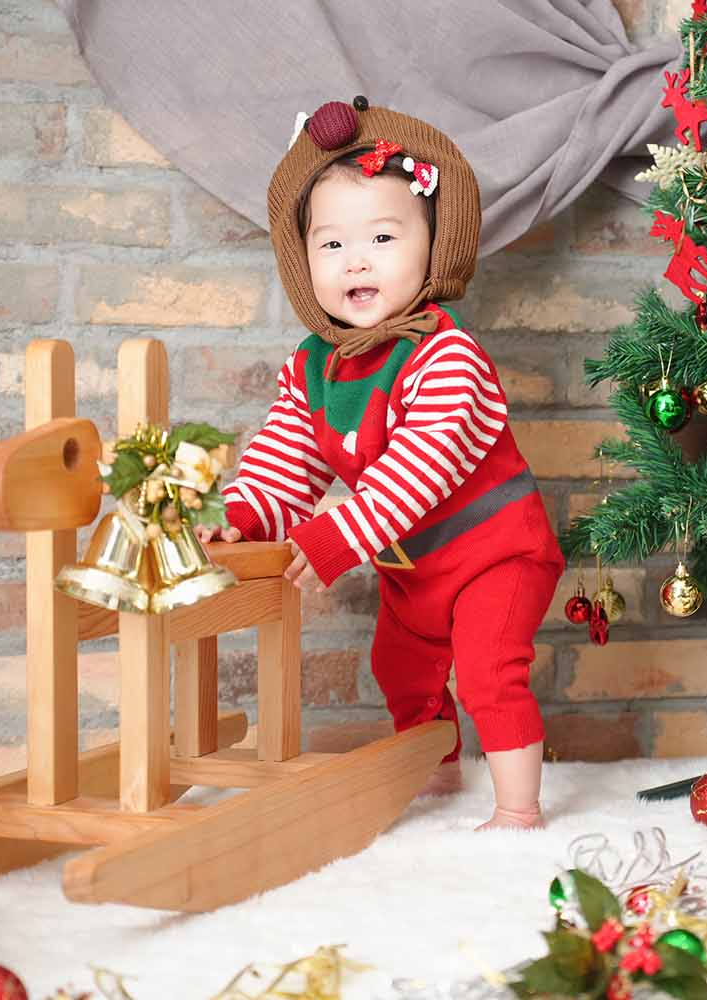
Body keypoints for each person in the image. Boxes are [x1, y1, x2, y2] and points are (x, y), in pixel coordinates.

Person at [197, 98, 564, 831]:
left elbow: (419, 468)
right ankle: (434, 780)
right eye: (331, 244)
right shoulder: (313, 368)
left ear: (433, 247)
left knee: (488, 670)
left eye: (383, 238)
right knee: (401, 669)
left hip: (497, 554)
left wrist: (334, 538)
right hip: (412, 567)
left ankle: (518, 810)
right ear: (302, 260)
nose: (355, 260)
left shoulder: (447, 355)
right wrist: (242, 520)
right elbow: (284, 459)